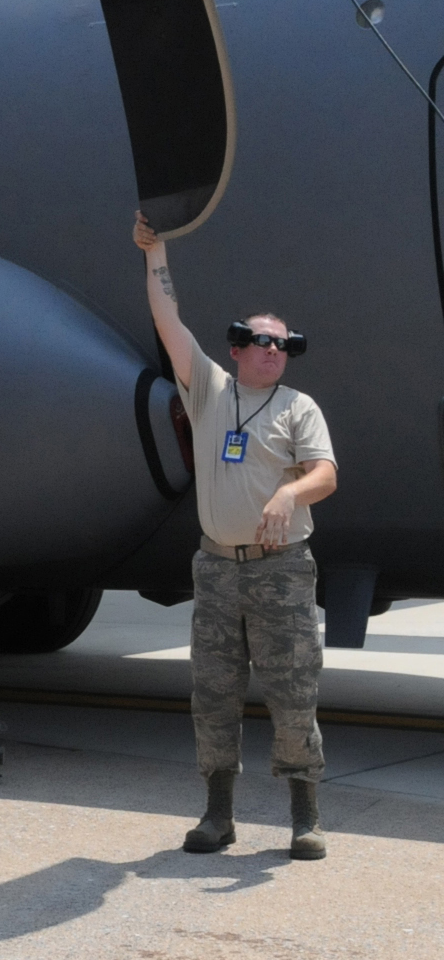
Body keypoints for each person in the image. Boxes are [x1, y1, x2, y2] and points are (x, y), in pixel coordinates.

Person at [133, 210, 339, 859]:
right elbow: (169, 324)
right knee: (214, 692)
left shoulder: (298, 408)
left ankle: (305, 816)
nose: (273, 350)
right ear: (236, 348)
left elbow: (326, 474)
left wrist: (290, 490)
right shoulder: (211, 393)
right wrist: (155, 253)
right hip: (218, 569)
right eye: (262, 340)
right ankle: (217, 816)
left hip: (280, 569)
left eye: (283, 344)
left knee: (293, 690)